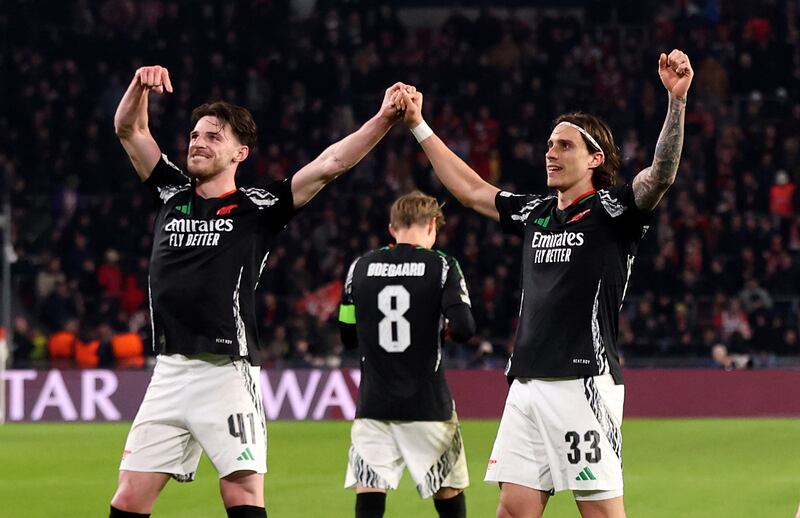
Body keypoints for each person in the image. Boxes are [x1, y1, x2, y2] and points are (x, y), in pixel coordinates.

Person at [394, 50, 693, 518]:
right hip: (527, 382)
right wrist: (418, 125)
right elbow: (471, 190)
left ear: (596, 158)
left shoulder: (614, 211)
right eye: (550, 144)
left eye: (565, 145)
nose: (550, 152)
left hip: (584, 383)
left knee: (601, 514)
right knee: (512, 510)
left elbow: (661, 175)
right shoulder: (536, 213)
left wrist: (676, 103)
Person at [109, 65, 406, 518]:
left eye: (213, 136)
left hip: (226, 373)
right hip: (168, 371)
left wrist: (384, 117)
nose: (198, 142)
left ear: (239, 153)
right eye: (194, 134)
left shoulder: (258, 207)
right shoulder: (172, 192)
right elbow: (129, 127)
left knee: (243, 497)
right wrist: (139, 85)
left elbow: (330, 164)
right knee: (129, 498)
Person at [338, 191, 476, 518]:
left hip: (374, 404)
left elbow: (346, 334)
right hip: (427, 403)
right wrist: (443, 328)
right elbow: (465, 328)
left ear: (392, 227)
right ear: (432, 224)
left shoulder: (360, 267)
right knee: (448, 492)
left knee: (370, 491)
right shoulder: (442, 265)